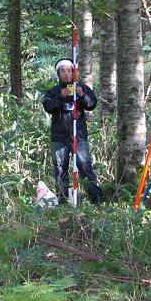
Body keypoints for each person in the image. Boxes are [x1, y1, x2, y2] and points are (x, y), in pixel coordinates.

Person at [42, 58, 103, 205]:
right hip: (59, 136)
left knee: (84, 166)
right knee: (59, 168)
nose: (66, 74)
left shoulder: (80, 88)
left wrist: (82, 95)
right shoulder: (53, 92)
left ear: (73, 72)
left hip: (79, 135)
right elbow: (48, 107)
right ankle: (62, 200)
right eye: (62, 71)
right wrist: (60, 97)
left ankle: (96, 198)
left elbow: (91, 104)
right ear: (58, 73)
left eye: (69, 70)